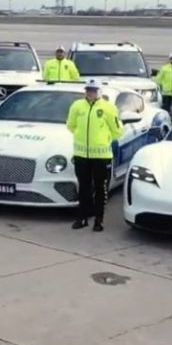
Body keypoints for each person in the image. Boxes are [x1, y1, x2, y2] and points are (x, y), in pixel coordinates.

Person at [66, 78, 123, 232]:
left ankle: (99, 220)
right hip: (81, 155)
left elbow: (117, 130)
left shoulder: (108, 108)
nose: (91, 93)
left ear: (100, 91)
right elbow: (71, 125)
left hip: (101, 156)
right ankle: (82, 218)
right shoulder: (77, 106)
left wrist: (103, 140)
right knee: (83, 188)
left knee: (100, 188)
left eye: (94, 90)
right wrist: (81, 137)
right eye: (88, 90)